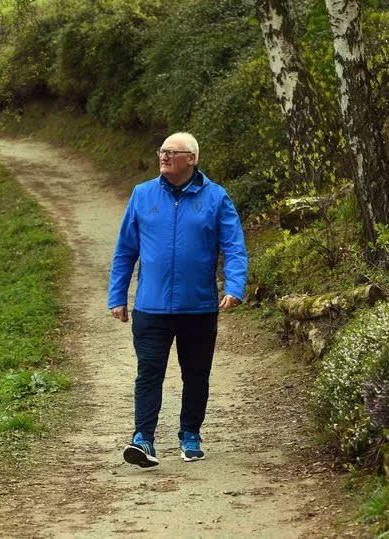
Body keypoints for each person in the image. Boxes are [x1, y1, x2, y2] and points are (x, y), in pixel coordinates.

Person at [108, 132, 247, 468]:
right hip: (151, 307)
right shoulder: (143, 195)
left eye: (173, 152)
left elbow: (234, 247)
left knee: (196, 374)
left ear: (192, 159)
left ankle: (190, 435)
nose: (165, 156)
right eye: (162, 151)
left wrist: (235, 286)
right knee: (149, 372)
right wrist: (118, 295)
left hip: (198, 308)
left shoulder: (216, 198)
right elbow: (126, 250)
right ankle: (143, 439)